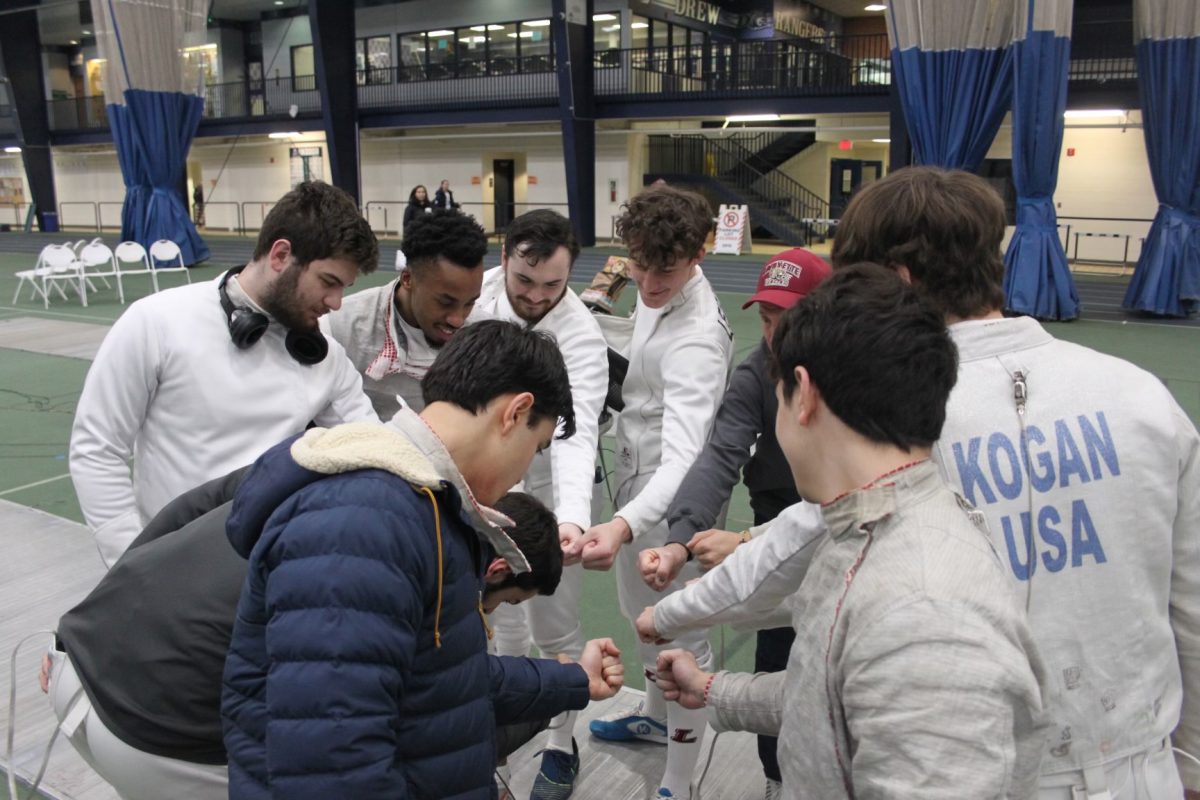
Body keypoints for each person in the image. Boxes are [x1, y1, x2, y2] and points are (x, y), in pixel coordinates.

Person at [829, 166, 1200, 799]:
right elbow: (1191, 607)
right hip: (1139, 769)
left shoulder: (893, 420)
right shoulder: (1143, 396)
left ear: (897, 282)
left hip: (968, 773)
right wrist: (1190, 764)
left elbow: (835, 601)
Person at [655, 263, 1048, 798]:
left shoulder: (923, 608)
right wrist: (713, 689)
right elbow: (835, 692)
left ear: (804, 394)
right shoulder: (865, 530)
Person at [222, 319, 625, 800]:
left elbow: (442, 679)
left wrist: (571, 680)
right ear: (515, 413)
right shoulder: (363, 524)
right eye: (535, 449)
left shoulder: (423, 507)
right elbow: (334, 765)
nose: (524, 470)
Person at [42, 464, 563, 800]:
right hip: (152, 739)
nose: (491, 620)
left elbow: (188, 510)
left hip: (75, 664)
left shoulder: (330, 470)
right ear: (495, 569)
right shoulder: (418, 579)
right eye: (504, 604)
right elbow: (425, 741)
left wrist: (87, 621)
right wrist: (554, 695)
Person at [69, 180, 379, 567]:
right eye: (329, 283)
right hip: (173, 562)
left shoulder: (324, 355)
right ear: (281, 255)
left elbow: (374, 447)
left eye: (344, 288)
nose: (335, 303)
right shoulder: (157, 322)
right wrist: (133, 563)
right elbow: (97, 449)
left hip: (276, 561)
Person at [636, 247, 830, 800]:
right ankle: (775, 780)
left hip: (839, 528)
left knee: (836, 658)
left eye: (788, 321)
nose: (775, 334)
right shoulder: (756, 372)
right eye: (767, 320)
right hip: (778, 523)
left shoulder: (856, 371)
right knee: (777, 653)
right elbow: (720, 455)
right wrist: (679, 541)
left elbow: (841, 503)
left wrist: (743, 542)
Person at [570, 184, 734, 800]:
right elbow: (640, 340)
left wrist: (622, 525)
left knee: (679, 630)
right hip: (640, 478)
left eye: (665, 268)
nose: (650, 280)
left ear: (697, 256)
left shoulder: (695, 341)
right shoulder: (652, 293)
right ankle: (658, 719)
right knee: (643, 619)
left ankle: (679, 779)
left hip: (675, 502)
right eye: (639, 263)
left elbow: (687, 461)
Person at [475, 209, 609, 798]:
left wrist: (573, 520)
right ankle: (498, 722)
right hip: (483, 480)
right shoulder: (476, 299)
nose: (537, 297)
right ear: (504, 259)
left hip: (553, 489)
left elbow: (578, 434)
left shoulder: (580, 334)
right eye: (525, 281)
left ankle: (561, 738)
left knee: (554, 623)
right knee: (497, 609)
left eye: (552, 285)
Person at [323, 209, 487, 418]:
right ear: (408, 279)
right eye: (445, 302)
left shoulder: (483, 336)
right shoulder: (342, 326)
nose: (458, 319)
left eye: (470, 303)